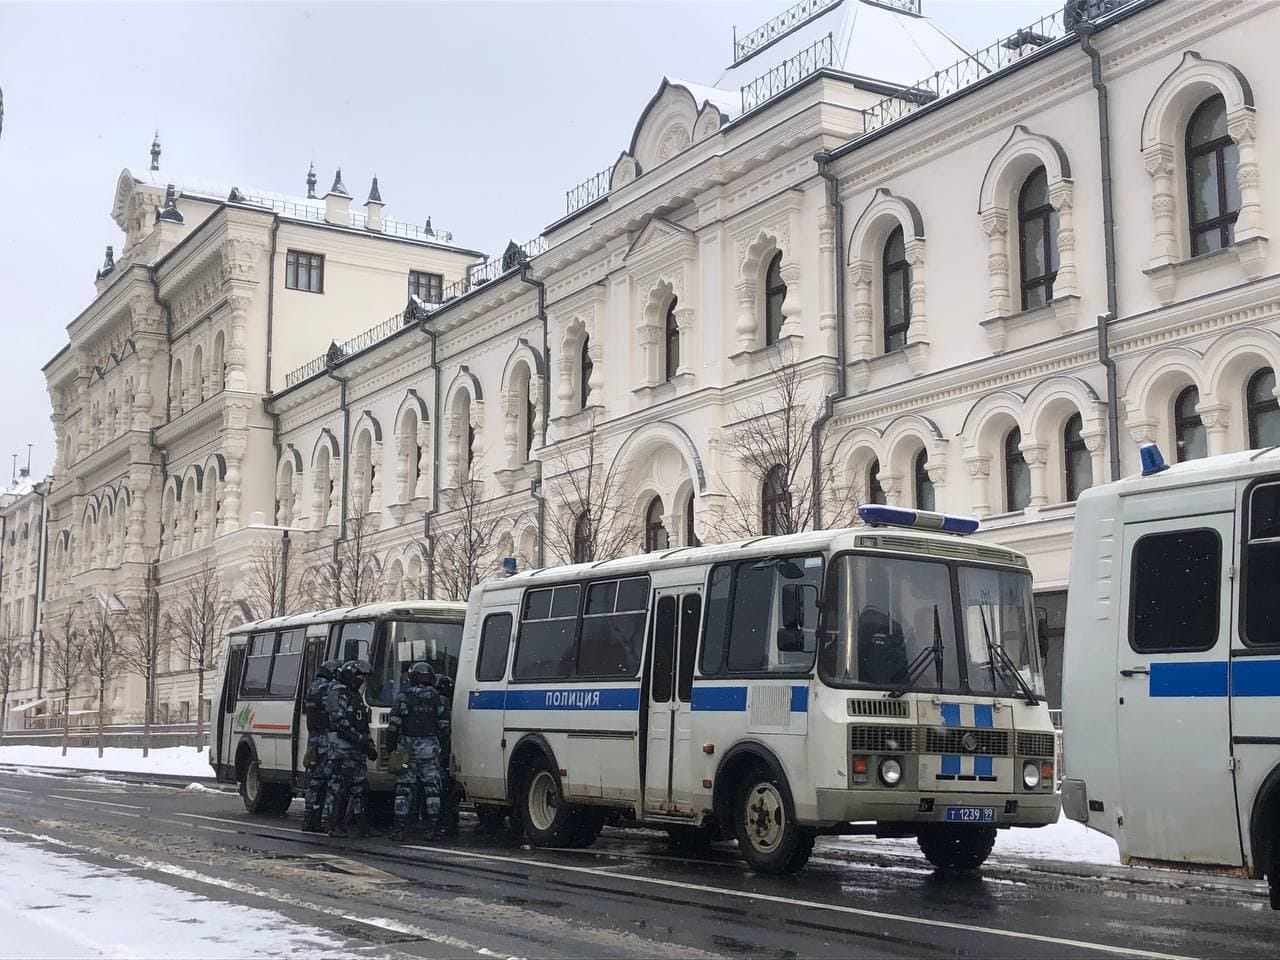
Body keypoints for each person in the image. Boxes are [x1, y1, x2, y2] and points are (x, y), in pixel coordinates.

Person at [385, 661, 448, 842]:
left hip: (407, 751)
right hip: (430, 751)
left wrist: (391, 750)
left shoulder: (403, 698)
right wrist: (444, 753)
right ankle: (432, 828)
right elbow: (445, 730)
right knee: (432, 790)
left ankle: (399, 829)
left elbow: (393, 727)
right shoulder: (440, 700)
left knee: (404, 789)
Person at [325, 659, 378, 839]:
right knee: (341, 788)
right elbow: (339, 722)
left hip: (357, 750)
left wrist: (369, 744)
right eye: (358, 677)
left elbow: (362, 724)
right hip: (342, 749)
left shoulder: (355, 696)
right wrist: (360, 739)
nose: (361, 681)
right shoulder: (337, 693)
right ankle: (334, 825)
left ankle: (363, 826)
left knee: (361, 788)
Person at [301, 659, 342, 833]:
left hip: (313, 741)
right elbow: (335, 714)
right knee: (331, 781)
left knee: (315, 781)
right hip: (327, 740)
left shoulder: (312, 689)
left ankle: (310, 816)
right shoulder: (331, 689)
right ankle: (327, 818)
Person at [434, 673, 459, 838]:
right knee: (446, 790)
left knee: (440, 790)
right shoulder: (449, 705)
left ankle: (442, 822)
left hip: (441, 754)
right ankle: (448, 821)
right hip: (448, 754)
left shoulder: (441, 704)